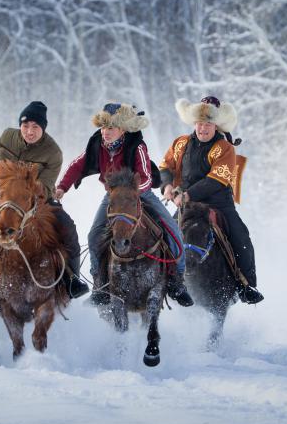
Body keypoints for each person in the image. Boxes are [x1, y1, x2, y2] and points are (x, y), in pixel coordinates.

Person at [55, 102, 193, 307]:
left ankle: (177, 281)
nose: (105, 132)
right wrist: (62, 187)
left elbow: (145, 176)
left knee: (173, 231)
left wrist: (133, 192)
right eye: (103, 127)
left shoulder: (136, 146)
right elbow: (77, 165)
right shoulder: (97, 145)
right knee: (94, 234)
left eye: (110, 128)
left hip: (141, 194)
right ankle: (100, 284)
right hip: (114, 198)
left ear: (123, 130)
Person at [0, 101, 88, 311]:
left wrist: (24, 185)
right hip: (5, 201)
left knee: (69, 229)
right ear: (20, 125)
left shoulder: (53, 152)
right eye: (25, 126)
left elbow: (47, 189)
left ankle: (71, 279)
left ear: (43, 129)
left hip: (38, 204)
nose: (29, 131)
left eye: (35, 127)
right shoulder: (7, 137)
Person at [160, 95, 262, 304]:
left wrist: (187, 195)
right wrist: (168, 185)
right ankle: (162, 280)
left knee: (241, 237)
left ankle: (245, 284)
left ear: (216, 125)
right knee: (162, 234)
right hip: (185, 205)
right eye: (199, 123)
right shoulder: (180, 144)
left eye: (208, 124)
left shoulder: (225, 148)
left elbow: (216, 179)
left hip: (218, 204)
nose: (203, 128)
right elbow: (165, 167)